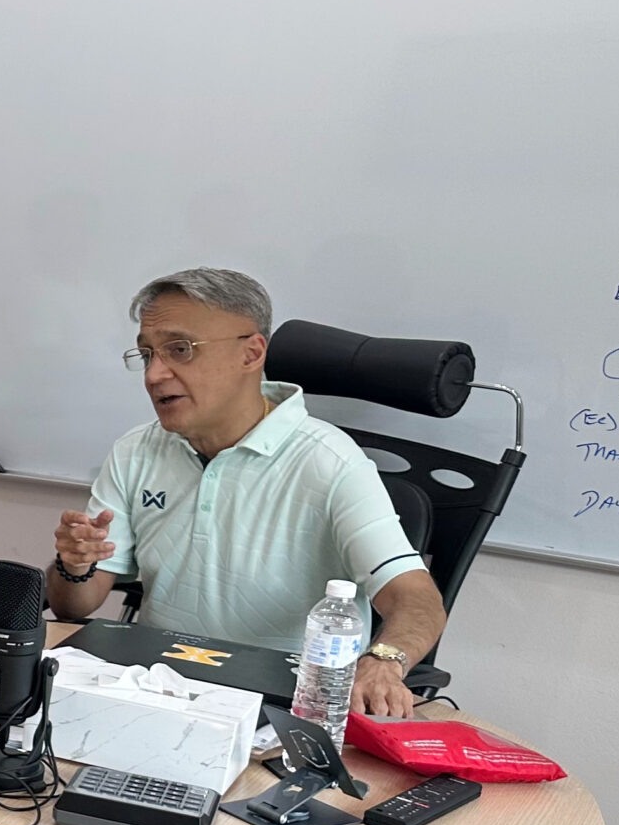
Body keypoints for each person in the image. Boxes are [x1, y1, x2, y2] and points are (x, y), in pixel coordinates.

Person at [44, 267, 447, 717]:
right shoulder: (135, 450)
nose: (155, 374)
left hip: (286, 706)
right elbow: (73, 605)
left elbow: (417, 598)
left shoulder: (330, 462)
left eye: (180, 349)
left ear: (251, 353)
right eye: (146, 354)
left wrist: (385, 661)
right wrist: (75, 566)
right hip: (156, 688)